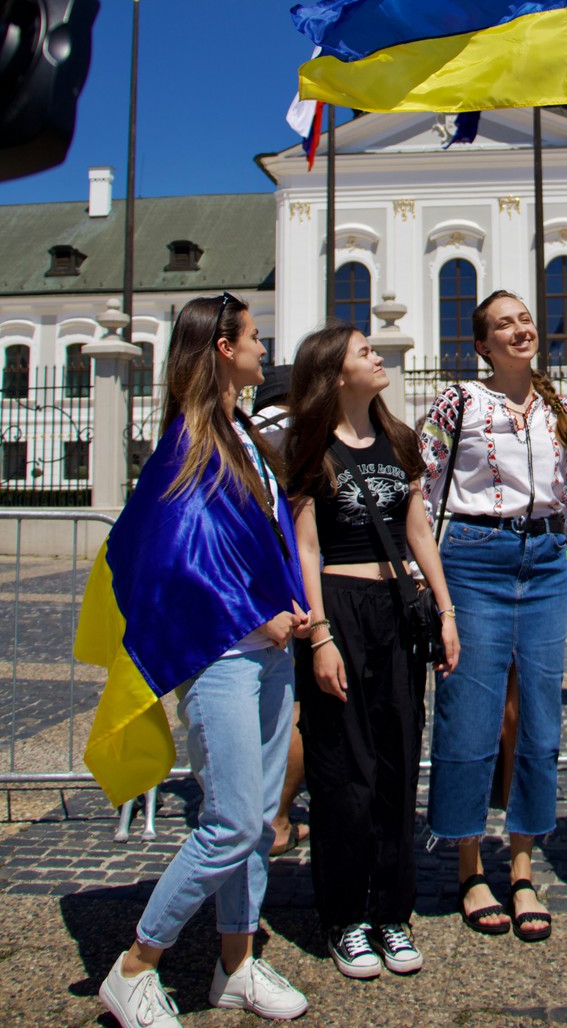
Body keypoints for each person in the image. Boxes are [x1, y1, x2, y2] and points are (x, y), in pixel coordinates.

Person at [93, 293, 309, 1028]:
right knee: (230, 822)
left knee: (255, 821)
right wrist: (257, 610)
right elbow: (178, 557)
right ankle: (135, 965)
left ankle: (236, 963)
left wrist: (290, 599)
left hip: (270, 653)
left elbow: (257, 536)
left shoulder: (241, 429)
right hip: (224, 656)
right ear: (222, 348)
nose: (262, 348)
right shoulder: (189, 437)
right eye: (253, 337)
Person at [286, 323, 459, 980]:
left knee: (397, 763)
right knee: (343, 771)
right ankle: (344, 917)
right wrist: (322, 634)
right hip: (342, 609)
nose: (376, 357)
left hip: (398, 612)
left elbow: (417, 528)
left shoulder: (400, 441)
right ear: (334, 373)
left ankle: (392, 912)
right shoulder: (310, 448)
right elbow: (306, 547)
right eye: (363, 351)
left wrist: (445, 610)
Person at [420, 290, 567, 941]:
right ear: (483, 345)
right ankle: (469, 865)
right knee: (470, 711)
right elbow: (423, 488)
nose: (521, 328)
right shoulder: (457, 402)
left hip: (543, 559)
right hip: (473, 557)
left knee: (540, 719)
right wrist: (435, 588)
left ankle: (521, 866)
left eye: (524, 318)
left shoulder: (560, 407)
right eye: (504, 323)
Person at [250, 365, 308, 859]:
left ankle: (271, 815)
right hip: (300, 581)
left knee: (280, 707)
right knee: (297, 709)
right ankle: (279, 818)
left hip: (266, 583)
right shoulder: (294, 428)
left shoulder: (250, 431)